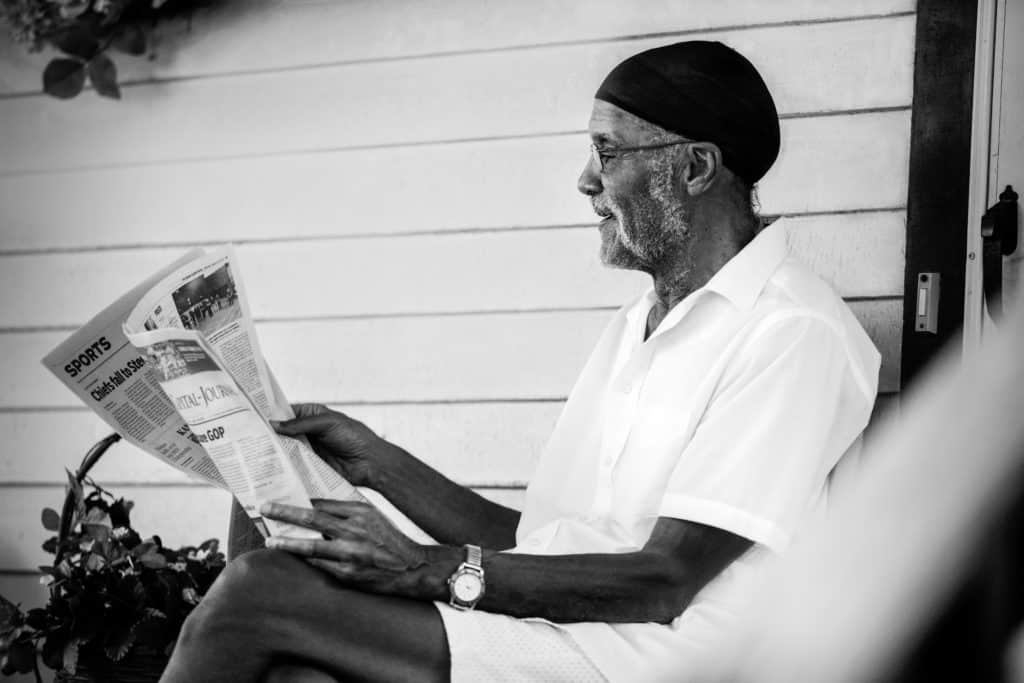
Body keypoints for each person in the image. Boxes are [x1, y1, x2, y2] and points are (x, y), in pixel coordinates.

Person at [160, 40, 880, 683]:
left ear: (694, 167)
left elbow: (663, 580)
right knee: (291, 642)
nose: (585, 181)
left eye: (609, 152)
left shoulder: (793, 331)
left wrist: (423, 568)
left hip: (658, 652)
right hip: (572, 627)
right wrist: (373, 462)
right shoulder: (642, 324)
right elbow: (540, 540)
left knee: (262, 594)